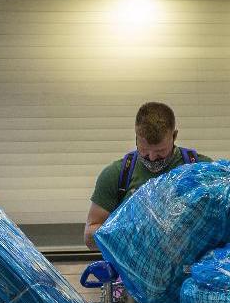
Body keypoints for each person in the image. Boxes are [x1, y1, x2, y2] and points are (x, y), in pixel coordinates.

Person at [84, 102, 212, 249]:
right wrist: (133, 232)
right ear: (136, 136)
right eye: (144, 149)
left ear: (174, 136)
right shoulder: (117, 175)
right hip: (130, 268)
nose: (151, 157)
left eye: (160, 151)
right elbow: (89, 236)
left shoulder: (200, 169)